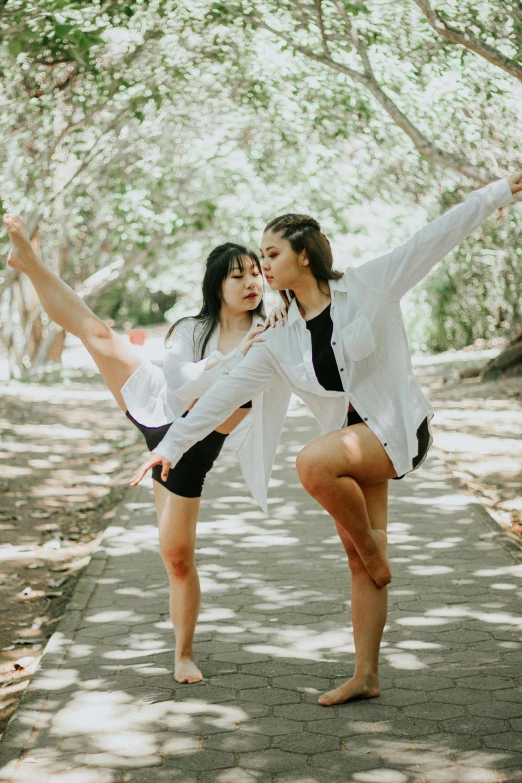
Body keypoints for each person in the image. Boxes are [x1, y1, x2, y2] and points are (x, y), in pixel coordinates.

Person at [131, 173, 522, 705]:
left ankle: (375, 553)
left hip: (397, 431)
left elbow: (433, 238)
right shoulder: (279, 335)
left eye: (271, 254)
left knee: (312, 466)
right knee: (358, 560)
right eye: (260, 256)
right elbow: (222, 394)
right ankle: (366, 674)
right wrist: (169, 446)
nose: (262, 265)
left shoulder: (369, 285)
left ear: (304, 257)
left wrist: (496, 194)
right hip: (354, 446)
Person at [2, 222, 290, 683]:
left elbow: (224, 404)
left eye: (256, 272)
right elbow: (183, 385)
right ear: (217, 285)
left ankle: (183, 654)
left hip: (195, 445)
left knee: (176, 556)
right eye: (238, 276)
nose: (252, 282)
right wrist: (233, 362)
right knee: (93, 331)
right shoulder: (189, 329)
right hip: (157, 405)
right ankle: (29, 264)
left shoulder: (274, 329)